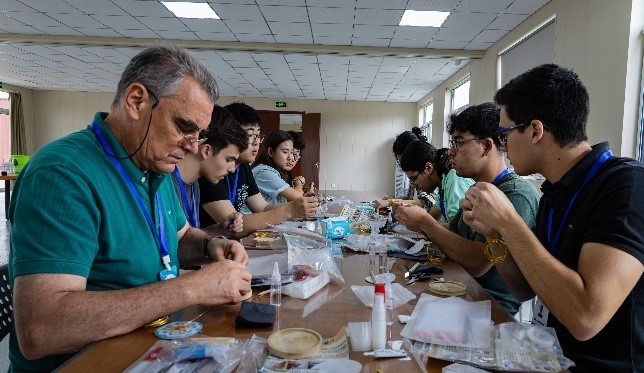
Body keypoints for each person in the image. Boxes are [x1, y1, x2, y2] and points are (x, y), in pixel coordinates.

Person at [7, 46, 252, 372]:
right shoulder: (62, 174)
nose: (193, 146)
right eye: (184, 127)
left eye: (199, 134)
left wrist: (211, 246)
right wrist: (193, 287)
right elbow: (41, 329)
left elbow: (179, 238)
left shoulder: (156, 166)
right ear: (137, 101)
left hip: (149, 349)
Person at [462, 64, 643, 370]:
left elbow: (586, 318)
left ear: (535, 131)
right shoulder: (556, 192)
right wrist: (494, 234)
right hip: (548, 356)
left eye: (505, 135)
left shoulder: (626, 186)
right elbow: (525, 289)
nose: (503, 148)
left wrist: (508, 221)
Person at [394, 103, 540, 315]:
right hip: (461, 287)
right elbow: (453, 233)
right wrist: (418, 222)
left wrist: (425, 222)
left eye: (459, 142)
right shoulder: (477, 189)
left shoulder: (515, 194)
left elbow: (478, 262)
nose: (451, 152)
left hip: (490, 304)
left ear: (487, 146)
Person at [199, 102, 318, 238]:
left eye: (258, 136)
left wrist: (297, 207)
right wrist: (290, 210)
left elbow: (262, 207)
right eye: (249, 135)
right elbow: (233, 227)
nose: (256, 142)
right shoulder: (212, 170)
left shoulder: (243, 167)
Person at [171, 105, 248, 235]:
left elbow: (183, 239)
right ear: (206, 150)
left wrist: (219, 229)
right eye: (229, 160)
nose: (232, 170)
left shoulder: (194, 184)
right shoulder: (165, 183)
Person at [399, 143, 474, 223]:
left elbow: (456, 232)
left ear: (428, 168)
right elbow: (432, 217)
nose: (413, 185)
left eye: (413, 179)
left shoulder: (454, 182)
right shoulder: (443, 184)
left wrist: (420, 221)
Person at [375, 127, 434, 211]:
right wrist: (392, 200)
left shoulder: (426, 174)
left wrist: (391, 202)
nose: (403, 165)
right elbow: (410, 198)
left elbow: (428, 203)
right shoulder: (415, 173)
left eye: (404, 160)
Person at [251, 130, 314, 205]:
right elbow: (297, 197)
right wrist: (298, 182)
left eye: (293, 154)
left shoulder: (280, 172)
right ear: (271, 152)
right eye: (285, 152)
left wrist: (303, 194)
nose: (291, 158)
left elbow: (286, 201)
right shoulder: (264, 171)